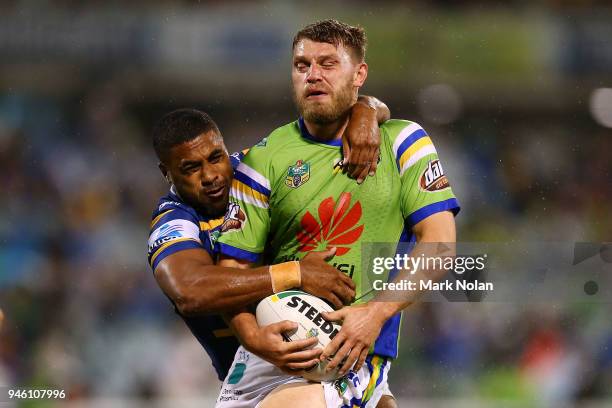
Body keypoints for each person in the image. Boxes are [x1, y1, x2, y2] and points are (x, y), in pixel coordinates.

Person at [216, 19, 459, 407]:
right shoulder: (263, 159)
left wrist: (374, 316)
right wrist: (250, 335)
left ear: (359, 73)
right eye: (302, 66)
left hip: (350, 346)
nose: (312, 75)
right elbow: (232, 272)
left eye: (328, 64)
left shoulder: (403, 141)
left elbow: (441, 243)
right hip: (270, 345)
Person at [147, 99, 389, 381]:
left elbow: (335, 119)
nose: (211, 176)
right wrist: (294, 273)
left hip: (321, 347)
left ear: (225, 148)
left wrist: (365, 112)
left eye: (216, 157)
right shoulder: (175, 223)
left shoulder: (257, 167)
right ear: (167, 173)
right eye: (191, 168)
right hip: (248, 374)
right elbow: (189, 290)